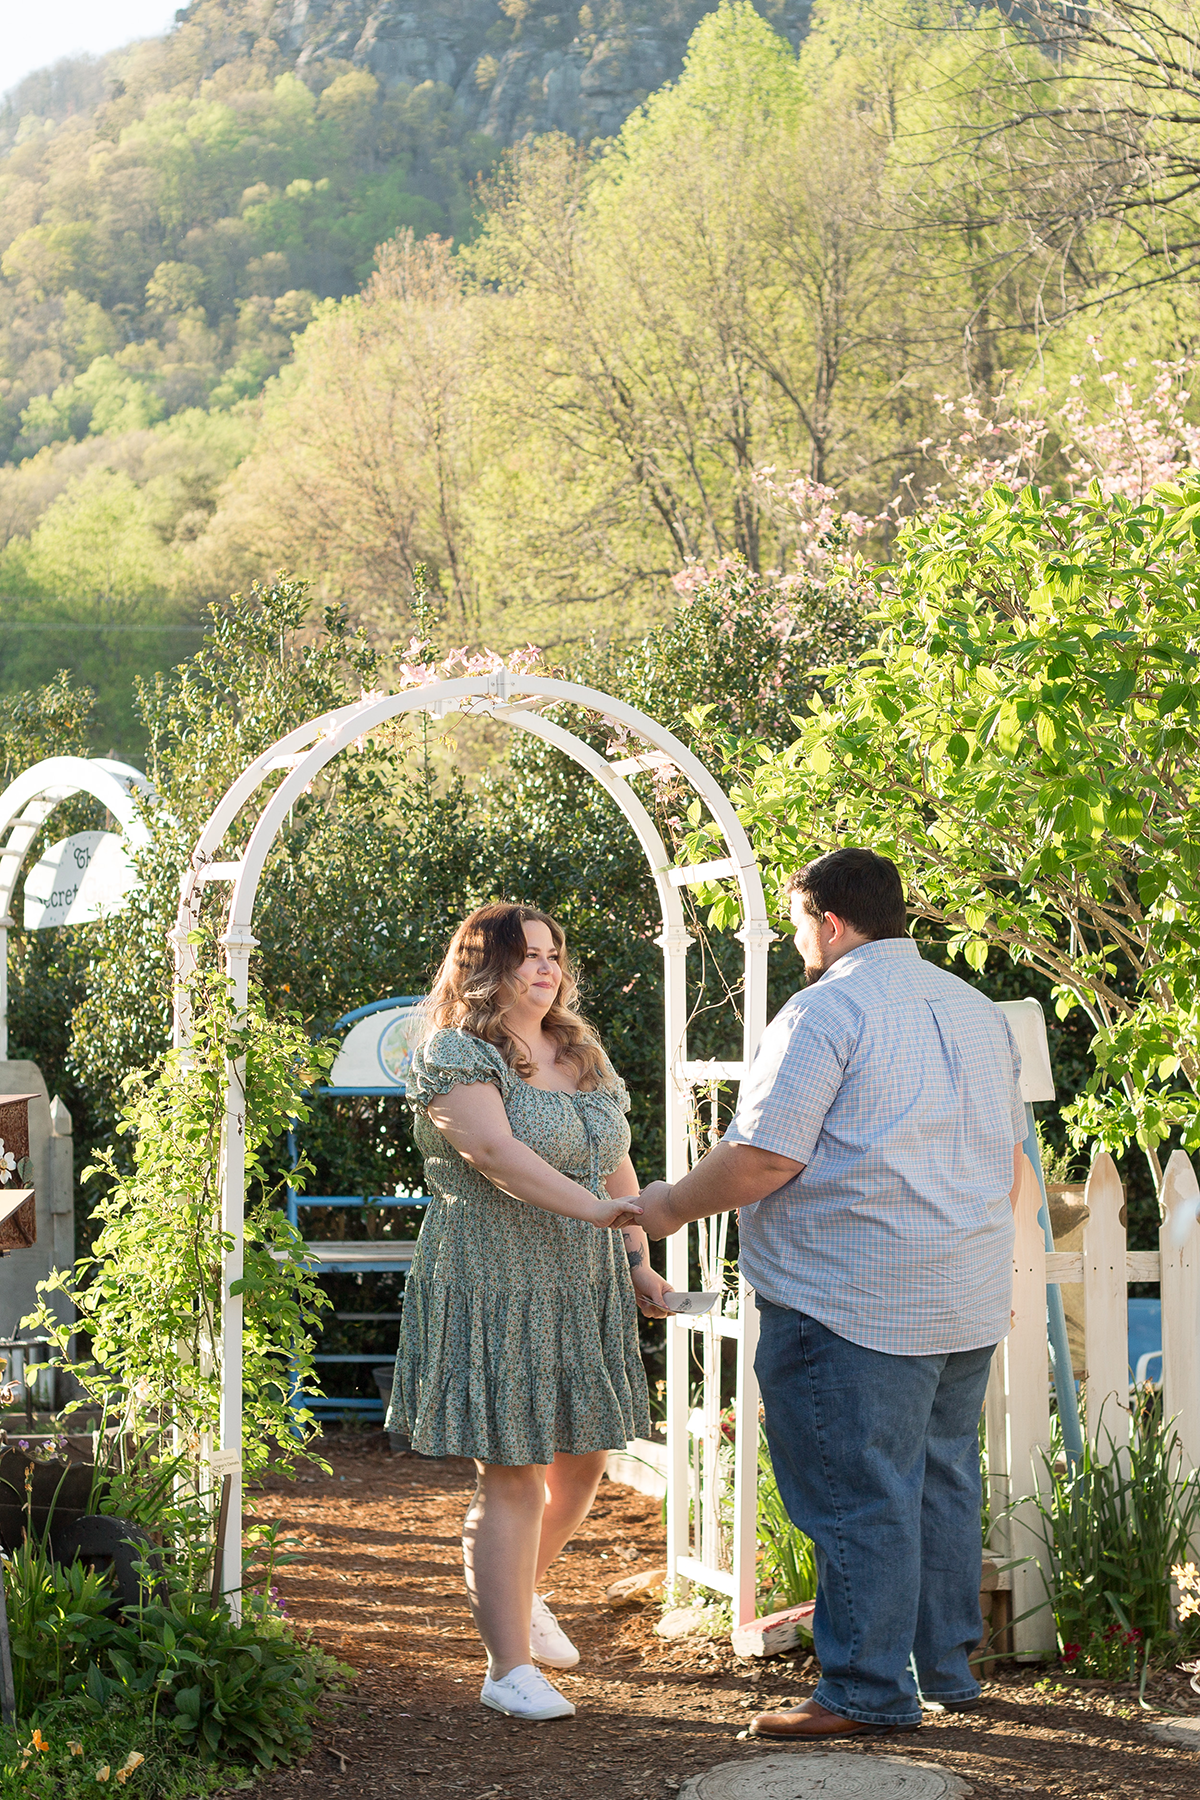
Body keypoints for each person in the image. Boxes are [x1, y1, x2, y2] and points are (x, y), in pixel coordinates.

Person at [637, 847, 1025, 1739]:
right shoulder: (975, 1011)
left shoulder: (824, 1011)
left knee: (858, 1494)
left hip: (853, 1298)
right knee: (937, 1481)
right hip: (960, 1291)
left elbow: (765, 1159)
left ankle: (862, 1691)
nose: (795, 938)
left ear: (829, 920)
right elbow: (1007, 1165)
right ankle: (944, 1671)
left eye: (798, 920)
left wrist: (663, 1208)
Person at [387, 902, 673, 1724]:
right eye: (527, 956)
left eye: (553, 955)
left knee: (583, 1456)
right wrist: (600, 1217)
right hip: (493, 1277)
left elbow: (615, 1156)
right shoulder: (455, 1051)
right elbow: (495, 1153)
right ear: (483, 967)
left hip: (580, 1280)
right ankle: (506, 1666)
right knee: (512, 1472)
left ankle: (516, 1593)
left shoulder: (578, 1050)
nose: (546, 970)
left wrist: (637, 1259)